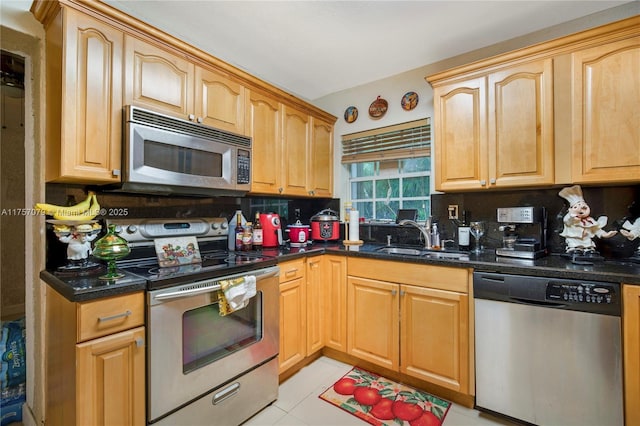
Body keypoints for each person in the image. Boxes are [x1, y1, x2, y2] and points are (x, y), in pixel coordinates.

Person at [558, 185, 617, 254]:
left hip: (586, 240)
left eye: (584, 206)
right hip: (575, 240)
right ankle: (574, 250)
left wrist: (605, 234)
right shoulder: (571, 218)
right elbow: (567, 221)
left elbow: (596, 229)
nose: (581, 208)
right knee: (575, 247)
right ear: (570, 209)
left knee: (589, 248)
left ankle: (588, 251)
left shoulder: (590, 220)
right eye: (576, 206)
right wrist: (573, 215)